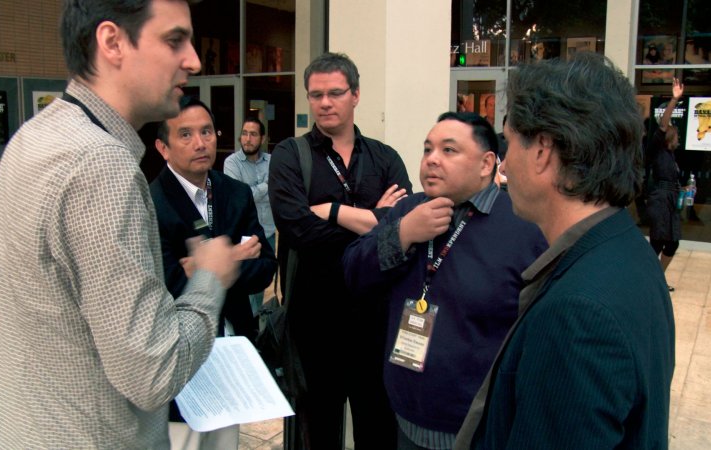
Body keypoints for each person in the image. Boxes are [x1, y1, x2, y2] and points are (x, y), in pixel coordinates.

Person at [0, 1, 240, 448]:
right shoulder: (101, 165)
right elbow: (154, 372)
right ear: (112, 42)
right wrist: (210, 278)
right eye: (174, 40)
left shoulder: (34, 136)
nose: (194, 61)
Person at [455, 52, 675, 449]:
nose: (504, 165)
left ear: (542, 149)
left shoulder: (577, 313)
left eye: (509, 143)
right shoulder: (627, 248)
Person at [343, 112, 546, 450]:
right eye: (427, 149)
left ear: (486, 164)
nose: (432, 159)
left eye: (448, 150)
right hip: (405, 414)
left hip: (480, 426)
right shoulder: (409, 210)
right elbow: (354, 271)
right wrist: (403, 234)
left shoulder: (522, 224)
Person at [269, 52, 412, 449]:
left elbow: (403, 228)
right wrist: (373, 219)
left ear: (356, 94)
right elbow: (300, 230)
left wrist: (333, 211)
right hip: (314, 322)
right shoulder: (290, 156)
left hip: (375, 322)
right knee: (318, 434)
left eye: (335, 93)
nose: (325, 103)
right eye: (316, 95)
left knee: (378, 433)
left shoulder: (384, 158)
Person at [150, 97, 276, 448]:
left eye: (206, 132)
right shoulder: (151, 202)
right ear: (163, 147)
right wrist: (235, 256)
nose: (200, 142)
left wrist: (209, 266)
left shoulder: (234, 193)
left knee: (225, 441)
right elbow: (167, 283)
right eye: (185, 134)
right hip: (180, 355)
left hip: (230, 348)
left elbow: (265, 267)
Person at [223, 116, 276, 317]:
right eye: (244, 134)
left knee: (261, 282)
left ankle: (255, 323)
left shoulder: (272, 161)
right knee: (244, 284)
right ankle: (247, 325)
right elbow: (239, 197)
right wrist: (267, 186)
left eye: (253, 134)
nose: (247, 139)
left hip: (268, 232)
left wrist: (254, 191)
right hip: (243, 236)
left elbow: (277, 192)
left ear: (263, 138)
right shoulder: (231, 163)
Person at [646, 78, 685, 291]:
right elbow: (663, 123)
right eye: (676, 135)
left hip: (670, 200)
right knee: (657, 243)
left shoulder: (671, 156)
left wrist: (684, 189)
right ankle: (647, 281)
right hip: (659, 199)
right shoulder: (657, 149)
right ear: (669, 137)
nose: (679, 139)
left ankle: (657, 280)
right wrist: (674, 100)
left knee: (672, 243)